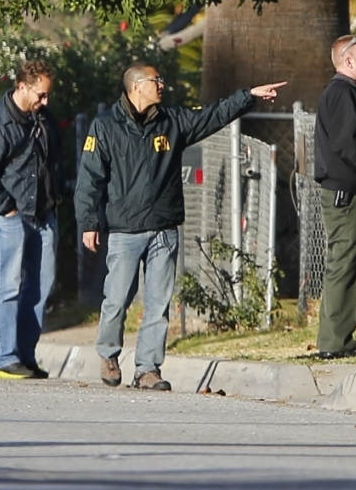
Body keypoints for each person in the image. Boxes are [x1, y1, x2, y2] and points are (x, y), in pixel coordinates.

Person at [75, 62, 286, 391]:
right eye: (155, 80)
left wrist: (247, 97)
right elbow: (90, 178)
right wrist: (89, 222)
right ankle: (108, 354)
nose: (162, 85)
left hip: (164, 227)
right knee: (116, 299)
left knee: (159, 304)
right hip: (125, 230)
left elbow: (212, 115)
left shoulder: (171, 120)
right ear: (136, 87)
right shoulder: (105, 127)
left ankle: (148, 368)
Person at [0, 60, 63, 379]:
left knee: (40, 286)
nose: (45, 101)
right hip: (9, 215)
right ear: (22, 87)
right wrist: (6, 209)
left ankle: (25, 354)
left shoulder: (42, 119)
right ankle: (5, 356)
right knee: (6, 285)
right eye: (41, 95)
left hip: (43, 214)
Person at [313, 34, 356, 359]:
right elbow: (349, 144)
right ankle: (335, 342)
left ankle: (335, 338)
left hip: (350, 191)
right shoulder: (342, 94)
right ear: (348, 61)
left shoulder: (346, 93)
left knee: (344, 264)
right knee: (343, 264)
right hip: (347, 193)